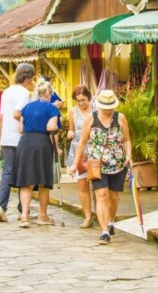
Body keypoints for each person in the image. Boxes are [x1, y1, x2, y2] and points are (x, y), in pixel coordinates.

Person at [69, 90, 132, 245]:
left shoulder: (120, 118)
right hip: (97, 164)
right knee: (101, 195)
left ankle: (111, 221)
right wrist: (74, 164)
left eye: (110, 107)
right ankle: (104, 232)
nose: (108, 110)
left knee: (113, 197)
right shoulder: (91, 119)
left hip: (118, 164)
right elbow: (82, 143)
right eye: (105, 107)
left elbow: (126, 140)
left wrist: (129, 155)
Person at [10, 78, 61, 228]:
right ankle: (42, 216)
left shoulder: (26, 108)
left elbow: (20, 129)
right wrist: (56, 128)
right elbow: (51, 126)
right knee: (43, 181)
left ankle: (24, 216)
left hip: (25, 143)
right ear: (49, 94)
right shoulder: (52, 108)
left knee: (27, 181)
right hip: (42, 144)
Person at [0, 63, 35, 223]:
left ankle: (1, 206)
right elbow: (17, 113)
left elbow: (2, 116)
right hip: (20, 137)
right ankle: (21, 208)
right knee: (23, 173)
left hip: (6, 138)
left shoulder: (7, 92)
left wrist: (2, 135)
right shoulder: (24, 93)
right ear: (28, 77)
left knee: (7, 172)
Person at [66, 84, 95, 228]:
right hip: (78, 151)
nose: (81, 103)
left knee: (98, 185)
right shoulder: (73, 111)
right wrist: (69, 133)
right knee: (83, 185)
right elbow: (71, 129)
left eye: (83, 100)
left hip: (95, 151)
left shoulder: (97, 109)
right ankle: (88, 216)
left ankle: (101, 214)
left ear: (89, 98)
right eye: (78, 101)